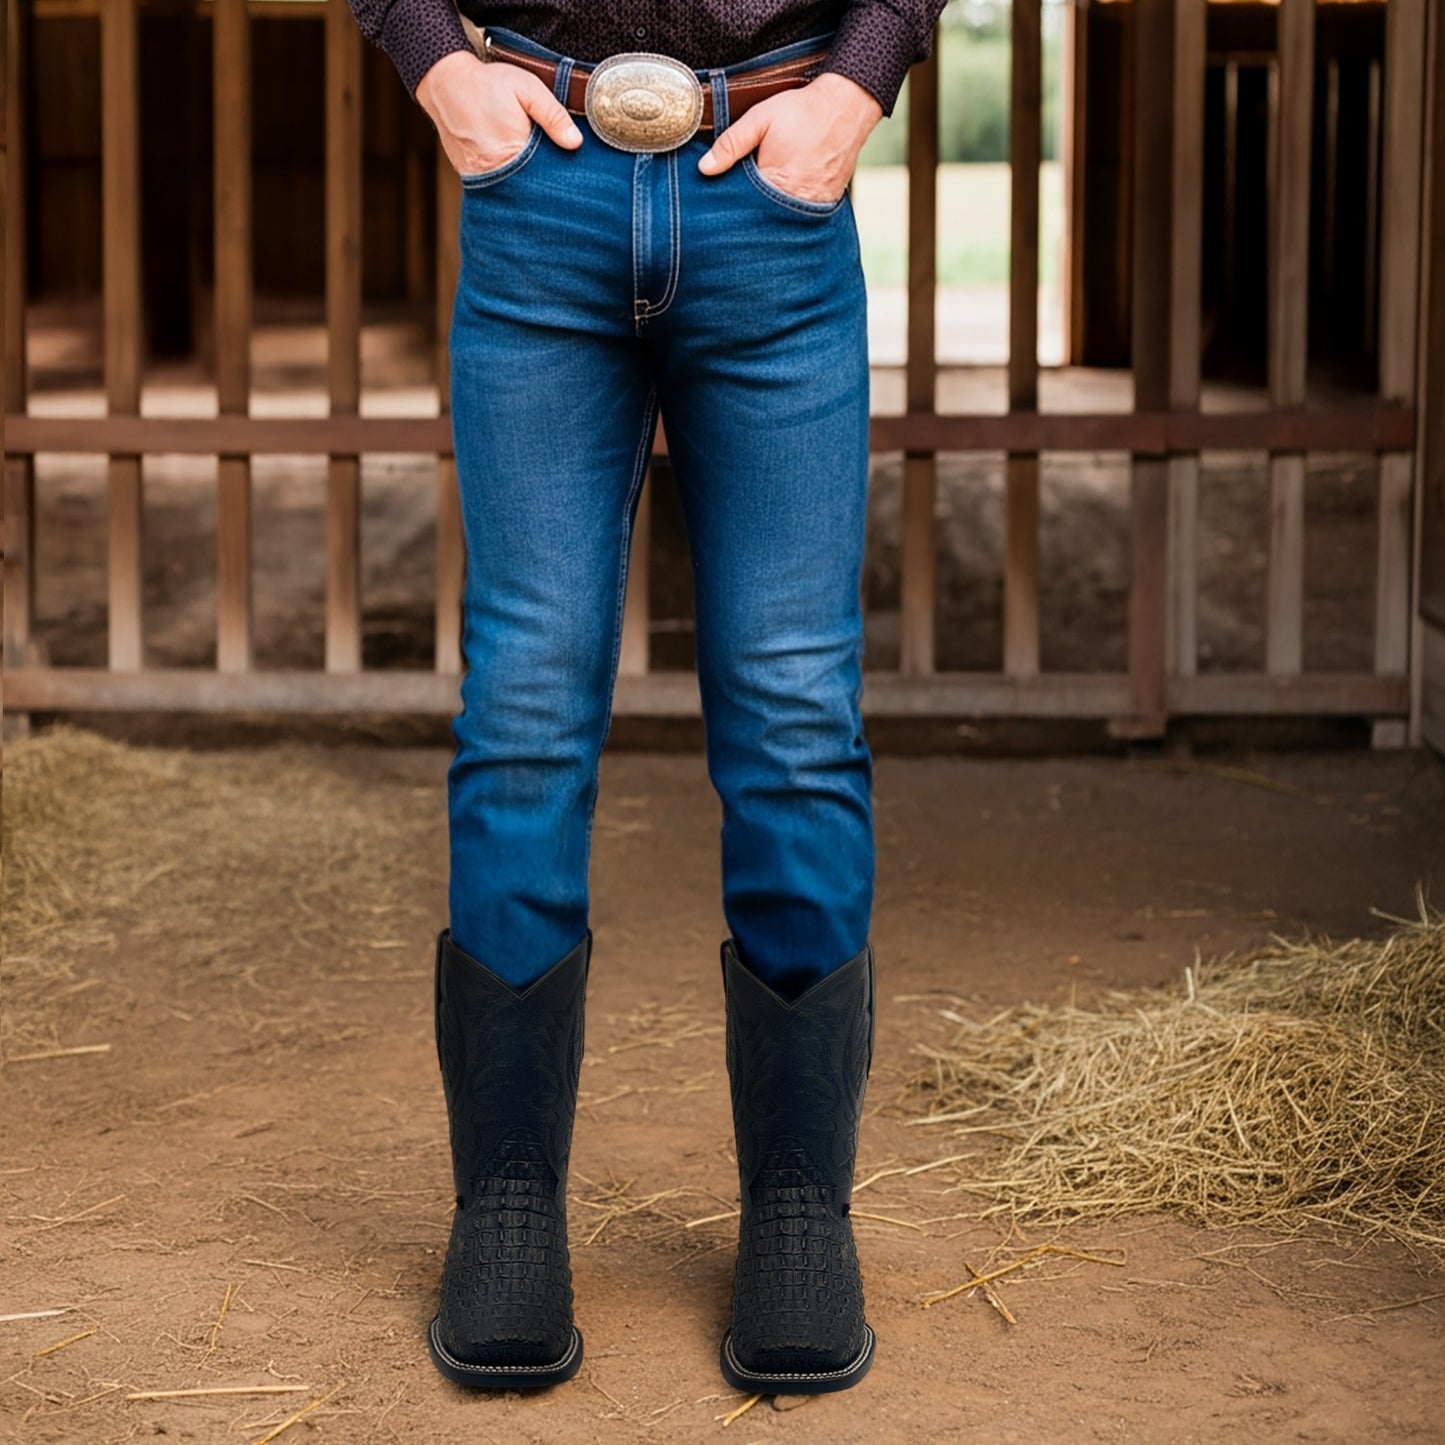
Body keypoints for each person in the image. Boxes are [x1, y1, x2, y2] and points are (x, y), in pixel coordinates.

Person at [347, 0, 946, 1397]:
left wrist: (857, 86)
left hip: (773, 184)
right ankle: (506, 1204)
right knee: (523, 705)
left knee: (794, 713)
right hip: (538, 185)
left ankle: (800, 1208)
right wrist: (433, 62)